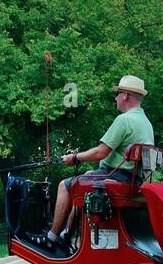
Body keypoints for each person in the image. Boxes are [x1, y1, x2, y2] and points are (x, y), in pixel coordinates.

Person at [37, 75, 154, 253]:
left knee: (64, 186)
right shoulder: (146, 123)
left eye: (117, 94)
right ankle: (66, 236)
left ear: (125, 96)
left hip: (115, 176)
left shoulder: (124, 120)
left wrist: (74, 157)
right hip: (133, 179)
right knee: (82, 183)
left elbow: (101, 152)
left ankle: (51, 238)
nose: (115, 98)